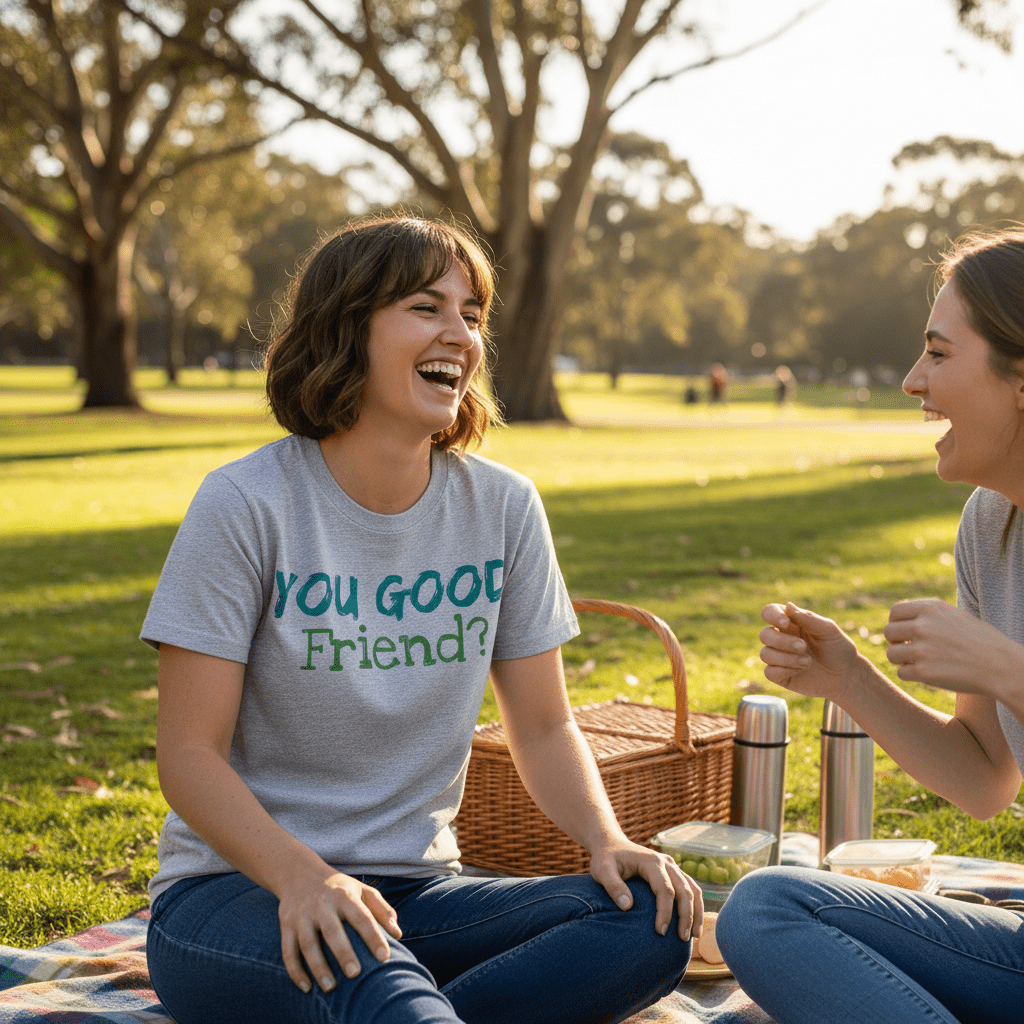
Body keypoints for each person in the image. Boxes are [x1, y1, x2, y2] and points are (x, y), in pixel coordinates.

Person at [141, 215, 701, 1024]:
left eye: (471, 314)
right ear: (346, 328)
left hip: (420, 895)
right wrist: (303, 877)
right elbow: (188, 756)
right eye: (425, 307)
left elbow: (543, 728)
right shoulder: (244, 504)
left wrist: (607, 841)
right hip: (239, 894)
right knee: (377, 984)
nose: (461, 335)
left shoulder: (504, 507)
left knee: (646, 922)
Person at [716, 226, 1024, 1024]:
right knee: (768, 911)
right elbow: (986, 779)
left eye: (940, 354)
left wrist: (1005, 669)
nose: (913, 379)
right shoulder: (989, 528)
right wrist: (849, 681)